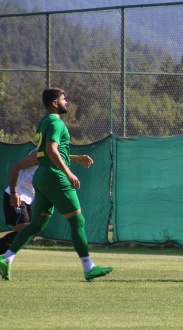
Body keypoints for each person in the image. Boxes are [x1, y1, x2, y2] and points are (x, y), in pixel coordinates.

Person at [0, 88, 112, 282]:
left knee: (36, 224)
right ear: (55, 103)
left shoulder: (44, 122)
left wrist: (74, 159)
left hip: (42, 177)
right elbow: (52, 150)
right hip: (55, 177)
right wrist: (68, 172)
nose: (66, 102)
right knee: (78, 222)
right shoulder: (56, 122)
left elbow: (45, 152)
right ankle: (88, 267)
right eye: (64, 99)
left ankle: (6, 258)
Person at [1, 149, 93, 254]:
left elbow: (56, 156)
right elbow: (14, 168)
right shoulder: (38, 153)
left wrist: (76, 158)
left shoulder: (50, 155)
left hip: (27, 199)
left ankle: (4, 260)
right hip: (17, 195)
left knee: (28, 231)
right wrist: (14, 192)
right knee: (23, 231)